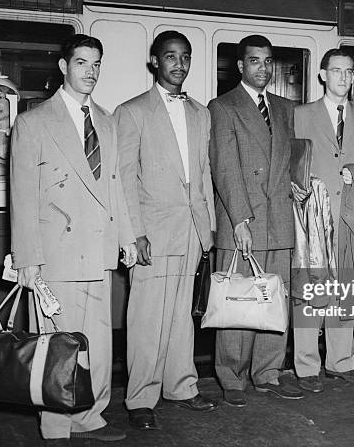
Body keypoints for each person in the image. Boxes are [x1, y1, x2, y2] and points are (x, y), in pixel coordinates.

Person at [10, 34, 136, 443]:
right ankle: (57, 424)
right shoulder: (32, 122)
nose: (91, 72)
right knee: (56, 345)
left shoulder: (108, 120)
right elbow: (22, 195)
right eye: (82, 63)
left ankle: (90, 415)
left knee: (97, 343)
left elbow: (116, 184)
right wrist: (27, 257)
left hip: (98, 250)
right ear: (64, 67)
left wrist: (128, 238)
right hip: (54, 255)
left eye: (96, 64)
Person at [114, 30, 218, 430]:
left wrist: (207, 227)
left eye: (185, 57)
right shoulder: (133, 111)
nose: (179, 64)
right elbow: (124, 178)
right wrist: (134, 233)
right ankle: (141, 397)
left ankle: (182, 386)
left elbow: (204, 173)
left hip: (191, 230)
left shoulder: (199, 112)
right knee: (145, 318)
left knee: (181, 316)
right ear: (155, 62)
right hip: (152, 232)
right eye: (170, 56)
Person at [208, 34, 303, 407]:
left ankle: (268, 372)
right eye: (254, 61)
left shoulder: (284, 107)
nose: (262, 68)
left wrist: (296, 185)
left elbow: (288, 159)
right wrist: (239, 220)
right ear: (240, 66)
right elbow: (225, 168)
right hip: (242, 222)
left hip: (279, 219)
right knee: (238, 302)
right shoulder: (223, 106)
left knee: (273, 301)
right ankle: (232, 377)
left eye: (267, 62)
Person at [292, 49, 354, 393]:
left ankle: (341, 363)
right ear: (322, 74)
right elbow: (292, 159)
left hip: (349, 217)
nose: (343, 78)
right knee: (310, 289)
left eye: (349, 72)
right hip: (313, 215)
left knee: (343, 289)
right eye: (336, 71)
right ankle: (305, 367)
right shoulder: (301, 114)